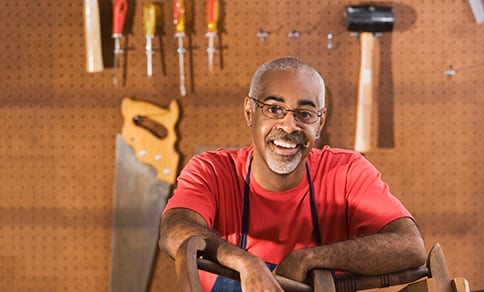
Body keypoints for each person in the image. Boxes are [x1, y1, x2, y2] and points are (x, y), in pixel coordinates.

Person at [159, 56, 426, 291]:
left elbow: (410, 248)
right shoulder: (212, 171)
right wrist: (243, 261)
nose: (289, 126)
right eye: (274, 109)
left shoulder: (347, 171)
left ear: (319, 123)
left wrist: (308, 258)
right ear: (250, 111)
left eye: (305, 113)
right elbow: (174, 232)